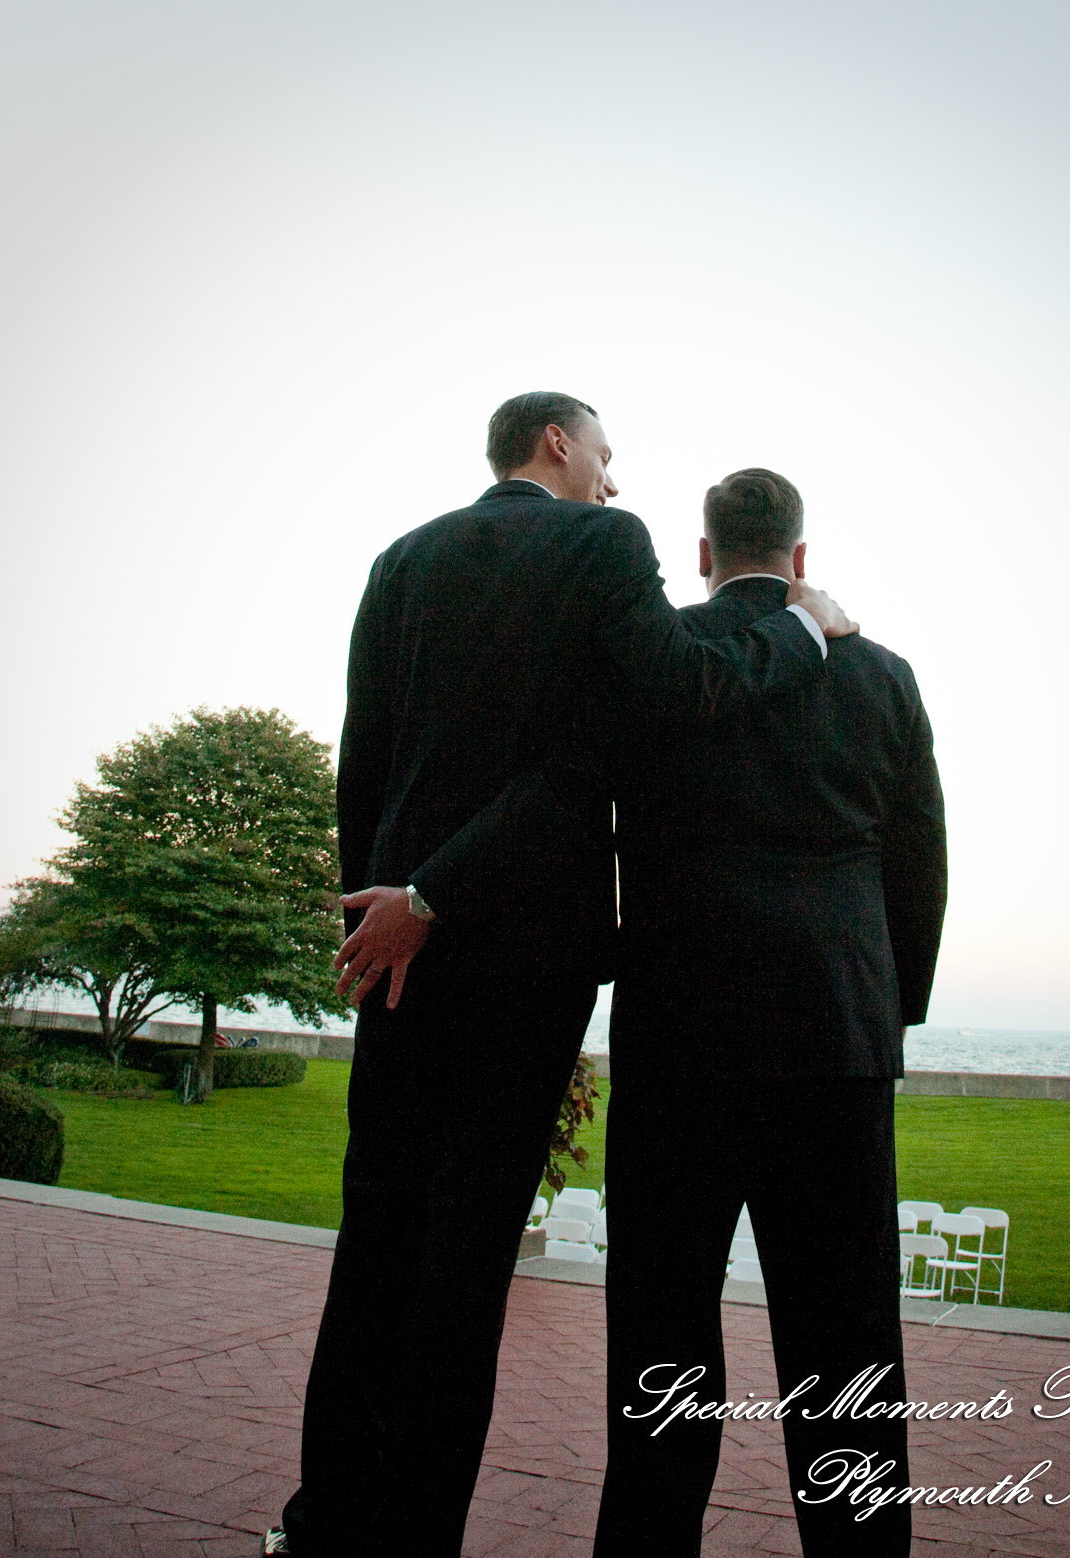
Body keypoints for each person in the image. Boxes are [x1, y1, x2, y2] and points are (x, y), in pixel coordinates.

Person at [267, 397, 857, 1557]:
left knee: (373, 1245)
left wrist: (383, 911)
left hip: (395, 955)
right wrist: (800, 629)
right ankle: (412, 1537)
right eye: (604, 454)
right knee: (464, 1267)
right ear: (555, 445)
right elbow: (669, 696)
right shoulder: (604, 545)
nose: (613, 478)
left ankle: (323, 1521)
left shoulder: (402, 557)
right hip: (523, 967)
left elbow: (364, 760)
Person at [593, 468, 948, 1556]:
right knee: (846, 1345)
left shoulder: (663, 672)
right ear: (800, 559)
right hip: (833, 1043)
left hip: (675, 1043)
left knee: (660, 1339)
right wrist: (887, 1008)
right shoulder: (881, 678)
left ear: (703, 557)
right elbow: (919, 868)